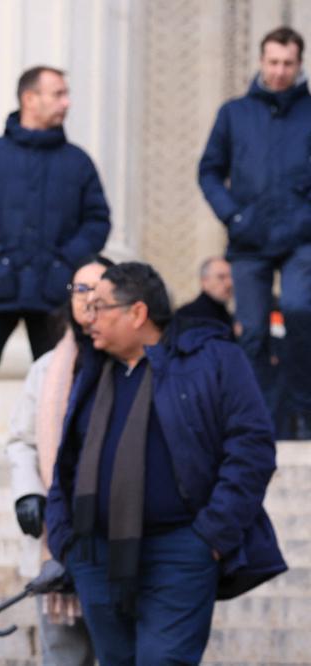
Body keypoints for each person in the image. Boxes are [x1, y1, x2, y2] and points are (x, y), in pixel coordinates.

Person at [45, 262, 286, 665]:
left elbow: (253, 447)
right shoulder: (92, 367)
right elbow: (69, 459)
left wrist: (210, 537)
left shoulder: (213, 357)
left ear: (137, 313)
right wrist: (64, 537)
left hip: (180, 551)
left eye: (101, 306)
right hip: (94, 556)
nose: (89, 314)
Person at [0, 65, 110, 470]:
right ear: (29, 98)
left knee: (63, 377)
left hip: (55, 294)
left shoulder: (78, 162)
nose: (66, 102)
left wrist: (64, 265)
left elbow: (97, 220)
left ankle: (63, 462)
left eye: (65, 93)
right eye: (57, 93)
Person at [198, 26, 311, 438]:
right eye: (273, 62)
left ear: (299, 65)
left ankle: (303, 413)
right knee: (253, 330)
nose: (279, 71)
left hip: (302, 239)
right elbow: (209, 170)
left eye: (288, 63)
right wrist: (234, 217)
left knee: (301, 312)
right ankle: (257, 420)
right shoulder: (234, 114)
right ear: (261, 62)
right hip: (249, 242)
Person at [6, 254, 113, 666]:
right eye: (80, 289)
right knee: (64, 656)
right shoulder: (46, 369)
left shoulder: (133, 367)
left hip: (118, 540)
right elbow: (21, 441)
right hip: (58, 544)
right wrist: (28, 493)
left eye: (100, 289)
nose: (88, 299)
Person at [175, 256, 234, 333]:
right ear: (204, 281)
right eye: (221, 277)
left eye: (231, 277)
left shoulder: (230, 318)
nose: (229, 283)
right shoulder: (188, 316)